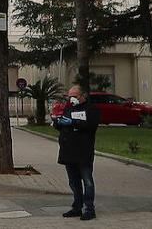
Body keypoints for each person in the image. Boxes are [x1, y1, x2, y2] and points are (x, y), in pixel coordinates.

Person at [54, 84, 100, 221]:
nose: (71, 99)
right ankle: (77, 207)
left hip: (84, 151)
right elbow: (63, 126)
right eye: (69, 96)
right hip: (69, 151)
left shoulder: (91, 109)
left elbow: (91, 126)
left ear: (82, 96)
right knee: (73, 182)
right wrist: (58, 123)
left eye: (74, 96)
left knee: (87, 181)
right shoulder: (68, 108)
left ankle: (89, 209)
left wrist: (73, 122)